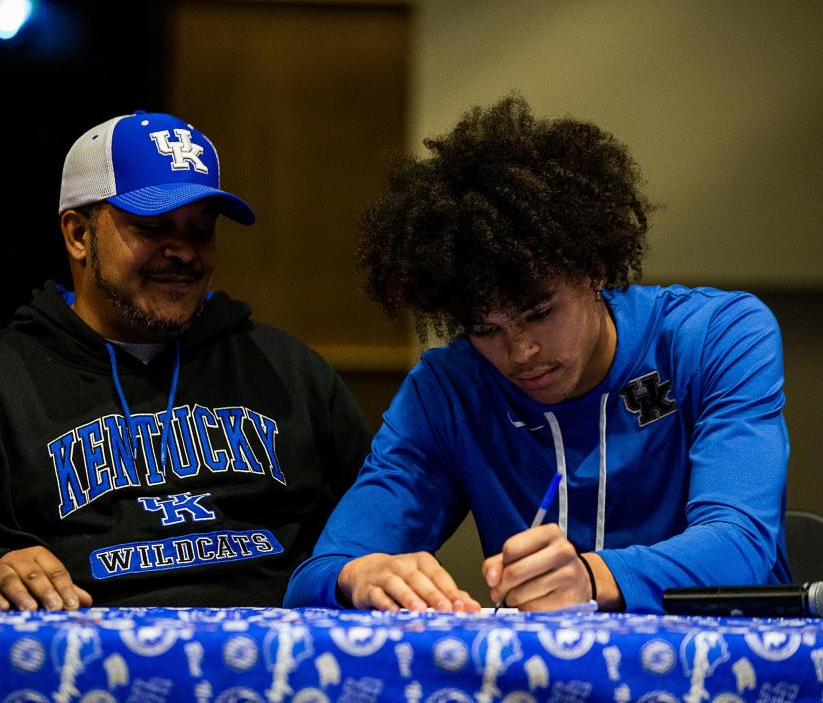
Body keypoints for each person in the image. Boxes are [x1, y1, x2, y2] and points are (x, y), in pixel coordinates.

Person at [284, 94, 790, 614]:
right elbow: (316, 576)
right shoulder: (448, 390)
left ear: (594, 268)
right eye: (485, 328)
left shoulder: (717, 335)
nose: (520, 351)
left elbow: (741, 545)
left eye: (539, 312)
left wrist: (590, 577)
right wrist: (358, 574)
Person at [0, 110, 371, 610]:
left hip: (276, 666)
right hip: (75, 670)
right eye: (152, 226)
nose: (184, 253)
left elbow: (375, 511)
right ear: (78, 235)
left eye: (201, 230)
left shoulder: (288, 371)